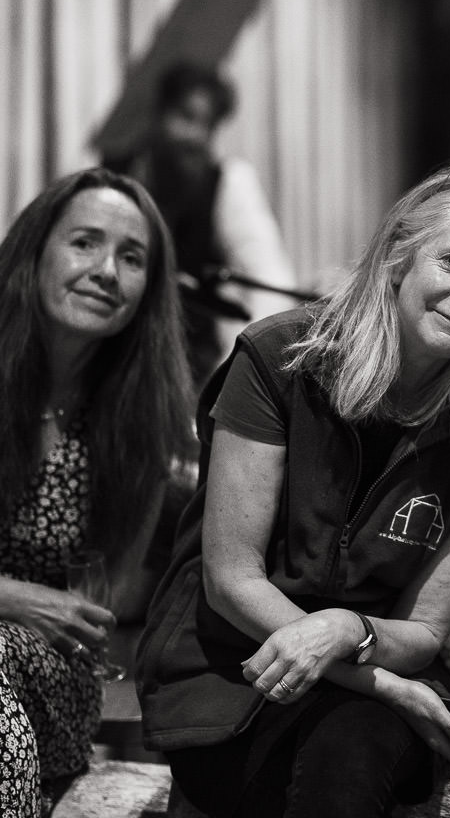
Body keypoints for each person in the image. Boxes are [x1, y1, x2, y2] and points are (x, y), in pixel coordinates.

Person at [136, 163, 450, 818]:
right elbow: (231, 579)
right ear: (399, 257)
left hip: (366, 696)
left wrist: (349, 629)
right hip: (235, 673)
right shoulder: (279, 361)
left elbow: (423, 629)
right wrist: (384, 681)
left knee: (351, 751)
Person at [0, 169, 195, 815]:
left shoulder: (144, 422)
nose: (107, 270)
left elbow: (104, 604)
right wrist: (12, 597)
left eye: (132, 257)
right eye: (85, 242)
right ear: (36, 250)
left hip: (53, 669)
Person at [102, 60, 299, 384]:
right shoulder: (112, 177)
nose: (195, 136)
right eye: (185, 117)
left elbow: (270, 280)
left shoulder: (228, 183)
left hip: (194, 373)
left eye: (207, 125)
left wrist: (234, 374)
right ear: (157, 113)